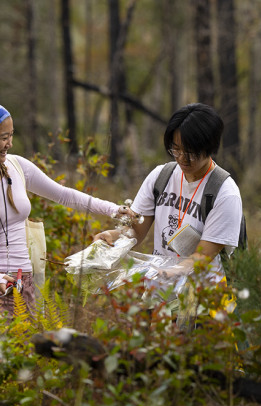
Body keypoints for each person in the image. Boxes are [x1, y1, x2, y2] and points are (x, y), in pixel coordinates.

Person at [0, 100, 129, 315]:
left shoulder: (17, 166)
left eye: (11, 135)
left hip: (24, 285)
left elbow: (64, 195)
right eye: (4, 138)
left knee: (28, 348)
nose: (10, 144)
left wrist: (114, 209)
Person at [93, 103, 242, 282]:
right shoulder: (161, 177)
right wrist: (113, 237)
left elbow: (203, 256)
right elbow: (136, 231)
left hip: (203, 299)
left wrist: (171, 272)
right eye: (176, 149)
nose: (181, 158)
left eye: (190, 152)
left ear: (210, 147)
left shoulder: (225, 193)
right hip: (159, 294)